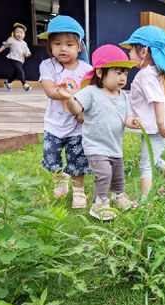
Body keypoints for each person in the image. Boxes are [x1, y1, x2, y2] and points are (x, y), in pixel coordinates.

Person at [57, 44, 140, 220]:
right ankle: (99, 203)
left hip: (114, 145)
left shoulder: (123, 96)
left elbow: (126, 118)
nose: (123, 78)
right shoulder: (91, 92)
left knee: (118, 175)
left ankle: (118, 196)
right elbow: (76, 108)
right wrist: (69, 98)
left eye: (125, 73)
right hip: (95, 146)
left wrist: (132, 122)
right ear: (101, 72)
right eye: (118, 73)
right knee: (104, 174)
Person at [119, 26, 165, 202]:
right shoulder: (149, 74)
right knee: (155, 160)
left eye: (131, 49)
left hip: (156, 131)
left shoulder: (145, 75)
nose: (129, 53)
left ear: (144, 51)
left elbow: (158, 100)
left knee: (146, 164)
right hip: (152, 130)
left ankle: (144, 203)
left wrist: (161, 124)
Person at [37, 15, 93, 209]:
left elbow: (89, 97)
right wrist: (64, 93)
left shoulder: (87, 70)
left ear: (79, 47)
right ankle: (60, 177)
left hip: (76, 126)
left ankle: (78, 191)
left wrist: (81, 110)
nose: (63, 48)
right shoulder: (47, 66)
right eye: (57, 43)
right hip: (54, 125)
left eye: (69, 44)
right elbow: (50, 90)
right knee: (50, 154)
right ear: (50, 46)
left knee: (78, 159)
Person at [0, 23, 32, 91]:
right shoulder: (11, 39)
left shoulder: (24, 43)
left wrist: (27, 54)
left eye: (21, 32)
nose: (19, 34)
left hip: (21, 60)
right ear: (14, 33)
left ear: (24, 35)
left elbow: (27, 51)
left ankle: (8, 82)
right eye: (17, 32)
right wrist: (0, 50)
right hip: (13, 58)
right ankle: (25, 84)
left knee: (16, 73)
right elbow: (5, 45)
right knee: (21, 72)